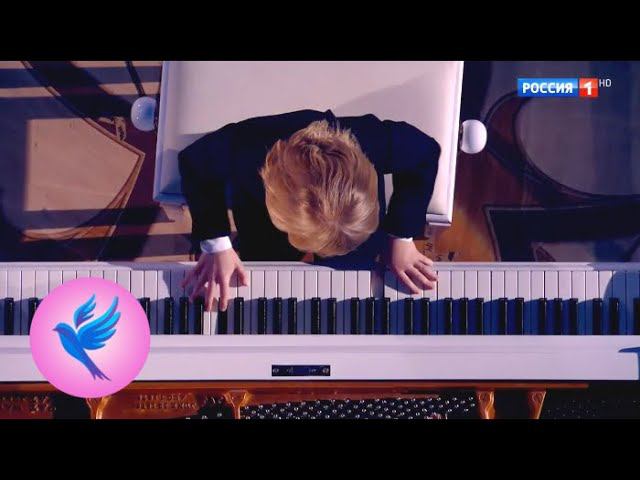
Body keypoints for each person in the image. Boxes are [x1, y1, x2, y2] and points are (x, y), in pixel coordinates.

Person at [178, 109, 440, 312]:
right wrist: (217, 245)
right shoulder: (248, 147)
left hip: (349, 222)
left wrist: (400, 236)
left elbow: (426, 152)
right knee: (263, 279)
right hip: (261, 210)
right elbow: (194, 162)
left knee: (356, 278)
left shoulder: (374, 141)